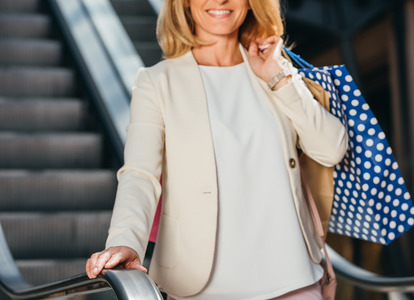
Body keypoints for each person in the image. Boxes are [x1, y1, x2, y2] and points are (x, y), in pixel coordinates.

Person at [86, 0, 348, 298]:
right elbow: (139, 175)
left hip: (294, 280)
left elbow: (331, 149)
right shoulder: (157, 82)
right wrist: (126, 241)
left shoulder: (274, 68)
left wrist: (279, 78)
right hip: (199, 288)